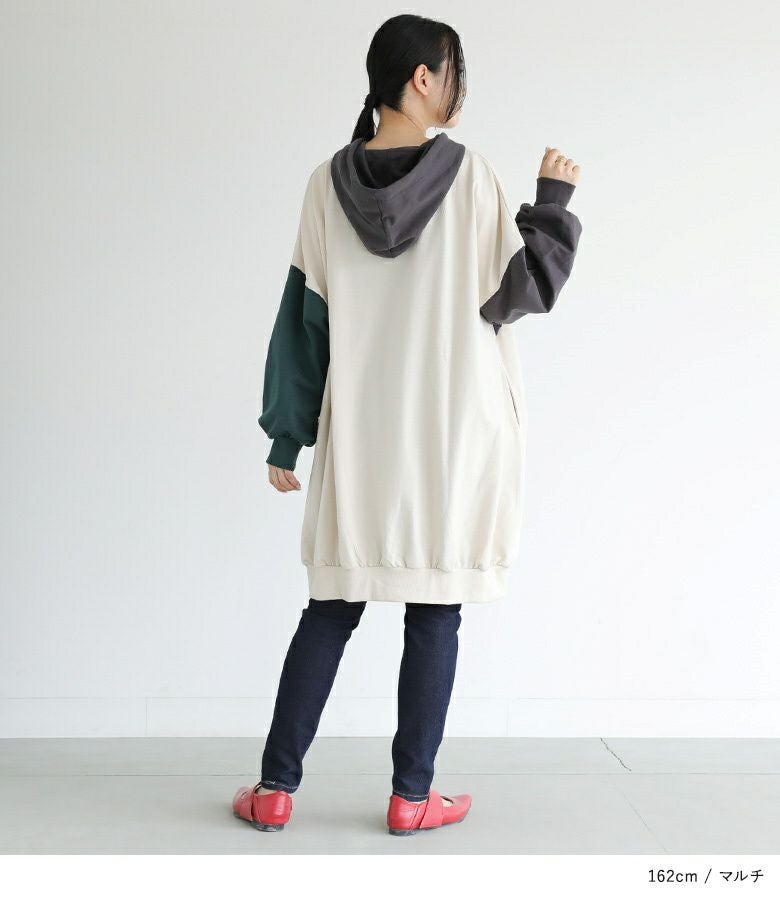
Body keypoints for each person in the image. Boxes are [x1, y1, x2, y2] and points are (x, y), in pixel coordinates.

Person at [232, 13, 582, 836]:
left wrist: (288, 434)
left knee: (332, 606)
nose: (460, 90)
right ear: (423, 78)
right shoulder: (473, 177)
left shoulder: (324, 185)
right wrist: (554, 206)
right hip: (452, 434)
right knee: (434, 610)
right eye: (454, 72)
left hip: (361, 439)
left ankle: (276, 790)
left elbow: (303, 321)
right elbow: (520, 293)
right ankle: (411, 797)